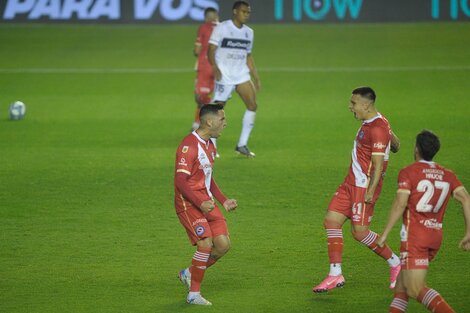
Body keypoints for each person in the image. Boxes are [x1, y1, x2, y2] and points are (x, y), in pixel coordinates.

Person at [312, 87, 402, 293]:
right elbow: (396, 145)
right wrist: (390, 139)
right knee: (331, 221)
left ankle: (396, 263)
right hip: (350, 183)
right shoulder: (376, 122)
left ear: (366, 105)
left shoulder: (377, 128)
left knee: (360, 233)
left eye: (353, 103)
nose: (350, 107)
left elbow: (378, 165)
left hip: (364, 187)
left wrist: (370, 191)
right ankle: (335, 274)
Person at [378, 130, 470, 313]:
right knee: (401, 289)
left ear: (417, 149)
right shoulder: (448, 175)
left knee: (415, 288)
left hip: (415, 239)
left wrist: (385, 233)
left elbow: (400, 203)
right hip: (435, 237)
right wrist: (469, 232)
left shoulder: (409, 172)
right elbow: (466, 199)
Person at [175, 104, 238, 306]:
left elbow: (208, 177)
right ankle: (194, 294)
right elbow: (180, 181)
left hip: (206, 202)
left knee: (223, 245)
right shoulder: (189, 145)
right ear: (209, 121)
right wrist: (200, 202)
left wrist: (223, 199)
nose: (225, 124)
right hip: (190, 203)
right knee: (205, 244)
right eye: (222, 120)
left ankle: (190, 272)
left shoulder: (210, 144)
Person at [208, 1, 260, 157]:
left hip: (241, 74)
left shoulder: (249, 32)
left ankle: (242, 144)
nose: (246, 15)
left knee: (252, 105)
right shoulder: (222, 28)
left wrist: (256, 77)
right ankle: (212, 146)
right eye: (244, 11)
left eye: (248, 12)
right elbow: (211, 50)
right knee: (217, 109)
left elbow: (248, 56)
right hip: (224, 74)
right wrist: (215, 68)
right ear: (235, 12)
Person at [191, 7, 219, 131]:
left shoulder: (203, 27)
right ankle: (211, 125)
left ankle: (198, 125)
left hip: (205, 66)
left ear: (206, 17)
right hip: (220, 67)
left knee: (200, 97)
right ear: (216, 16)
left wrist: (195, 51)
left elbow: (197, 50)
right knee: (216, 97)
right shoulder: (223, 27)